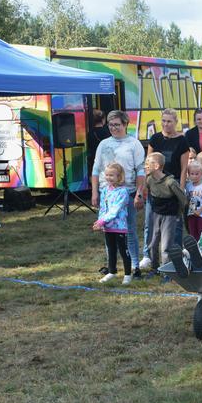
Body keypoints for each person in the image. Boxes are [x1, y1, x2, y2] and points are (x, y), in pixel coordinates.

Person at [92, 110, 146, 278]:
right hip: (106, 193)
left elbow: (141, 171)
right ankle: (112, 267)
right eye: (110, 125)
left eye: (117, 124)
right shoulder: (103, 144)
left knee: (128, 230)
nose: (113, 128)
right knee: (108, 229)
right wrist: (95, 192)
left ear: (125, 124)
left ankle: (135, 266)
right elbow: (95, 169)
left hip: (127, 192)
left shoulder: (133, 144)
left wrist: (139, 194)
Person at [141, 108, 190, 269]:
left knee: (174, 224)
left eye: (169, 121)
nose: (166, 124)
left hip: (172, 183)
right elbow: (148, 163)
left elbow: (184, 168)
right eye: (163, 121)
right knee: (150, 222)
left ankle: (175, 256)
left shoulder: (182, 141)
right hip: (155, 184)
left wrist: (181, 189)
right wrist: (145, 186)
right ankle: (148, 255)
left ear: (175, 122)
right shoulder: (155, 139)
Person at [145, 152, 187, 274]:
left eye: (148, 163)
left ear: (157, 166)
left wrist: (178, 214)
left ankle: (166, 271)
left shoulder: (170, 183)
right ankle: (154, 268)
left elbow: (183, 199)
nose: (145, 166)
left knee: (165, 246)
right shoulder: (149, 179)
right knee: (152, 244)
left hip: (169, 216)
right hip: (156, 214)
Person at [93, 163, 132, 285]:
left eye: (112, 175)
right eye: (107, 175)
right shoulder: (104, 190)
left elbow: (115, 209)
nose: (109, 177)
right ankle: (112, 271)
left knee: (123, 250)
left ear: (119, 176)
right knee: (111, 250)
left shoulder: (123, 192)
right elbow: (103, 208)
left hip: (119, 227)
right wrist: (100, 222)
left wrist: (102, 221)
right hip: (107, 227)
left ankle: (127, 274)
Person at [185, 160, 202, 240]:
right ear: (188, 175)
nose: (194, 176)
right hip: (191, 214)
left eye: (197, 174)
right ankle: (194, 250)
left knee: (201, 233)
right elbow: (187, 199)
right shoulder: (188, 186)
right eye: (192, 174)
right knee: (192, 233)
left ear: (201, 174)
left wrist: (200, 210)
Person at [87, 109, 111, 177]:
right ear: (103, 119)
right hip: (106, 159)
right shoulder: (108, 131)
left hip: (94, 158)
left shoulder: (90, 133)